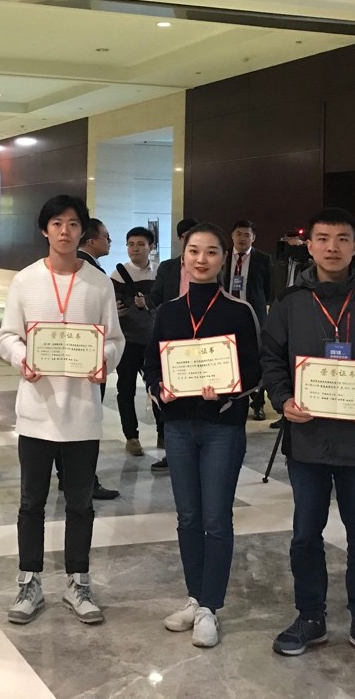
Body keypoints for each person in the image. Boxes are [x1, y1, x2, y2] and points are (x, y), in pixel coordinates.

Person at [263, 207, 355, 672]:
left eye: (342, 239)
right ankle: (310, 617)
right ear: (309, 246)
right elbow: (271, 358)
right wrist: (283, 398)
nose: (332, 247)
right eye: (323, 238)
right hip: (307, 440)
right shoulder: (290, 302)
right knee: (305, 535)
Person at [0, 194, 124, 626]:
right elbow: (7, 336)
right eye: (57, 223)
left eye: (72, 224)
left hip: (83, 414)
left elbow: (115, 340)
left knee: (80, 504)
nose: (64, 231)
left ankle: (78, 582)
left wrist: (103, 360)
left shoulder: (99, 283)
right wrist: (22, 358)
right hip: (37, 412)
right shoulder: (26, 281)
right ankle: (29, 583)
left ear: (82, 231)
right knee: (31, 502)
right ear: (45, 230)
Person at [144, 223, 259, 648]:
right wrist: (159, 388)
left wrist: (227, 390)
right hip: (178, 427)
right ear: (183, 256)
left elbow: (255, 370)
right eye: (194, 251)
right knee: (188, 517)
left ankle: (211, 606)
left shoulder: (239, 311)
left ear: (223, 258)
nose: (201, 259)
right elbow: (151, 365)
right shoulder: (168, 311)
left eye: (211, 251)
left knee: (216, 518)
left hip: (221, 427)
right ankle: (195, 598)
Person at [66, 216, 120, 500]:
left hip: (85, 358)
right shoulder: (89, 273)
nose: (109, 241)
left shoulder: (94, 271)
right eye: (106, 236)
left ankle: (72, 477)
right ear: (91, 240)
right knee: (82, 425)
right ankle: (83, 481)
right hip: (82, 360)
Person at [145, 217, 197, 471]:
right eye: (186, 237)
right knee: (168, 394)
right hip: (172, 340)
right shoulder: (168, 267)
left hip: (200, 340)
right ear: (180, 239)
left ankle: (196, 446)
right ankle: (169, 447)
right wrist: (146, 303)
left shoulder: (206, 267)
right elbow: (156, 296)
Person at [112, 226, 159, 456]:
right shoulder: (118, 275)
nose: (135, 249)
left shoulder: (160, 273)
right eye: (131, 244)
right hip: (129, 341)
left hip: (154, 341)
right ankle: (131, 436)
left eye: (141, 244)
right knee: (126, 389)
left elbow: (167, 303)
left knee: (159, 388)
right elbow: (112, 306)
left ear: (151, 247)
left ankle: (164, 433)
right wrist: (116, 311)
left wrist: (149, 303)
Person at [222, 219, 270, 420]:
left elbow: (268, 289)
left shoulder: (263, 259)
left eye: (247, 235)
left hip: (253, 315)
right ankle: (229, 397)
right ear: (232, 236)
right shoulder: (223, 256)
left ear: (254, 238)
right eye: (238, 234)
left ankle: (257, 403)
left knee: (255, 358)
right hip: (225, 313)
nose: (242, 238)